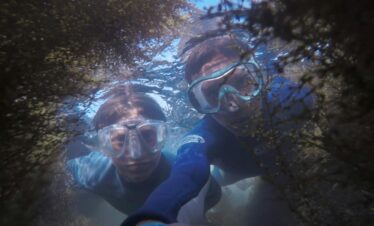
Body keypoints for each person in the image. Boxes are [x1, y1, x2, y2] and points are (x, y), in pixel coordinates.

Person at [122, 36, 314, 226]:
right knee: (213, 182)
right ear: (199, 102)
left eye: (241, 82)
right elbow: (187, 174)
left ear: (260, 78)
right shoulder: (203, 138)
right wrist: (152, 218)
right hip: (234, 174)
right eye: (213, 93)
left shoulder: (294, 98)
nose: (233, 104)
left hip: (280, 161)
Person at [67, 89, 221, 225]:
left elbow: (213, 195)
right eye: (120, 140)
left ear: (163, 136)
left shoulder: (186, 172)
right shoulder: (90, 173)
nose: (136, 155)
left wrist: (192, 214)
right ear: (103, 146)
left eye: (147, 135)